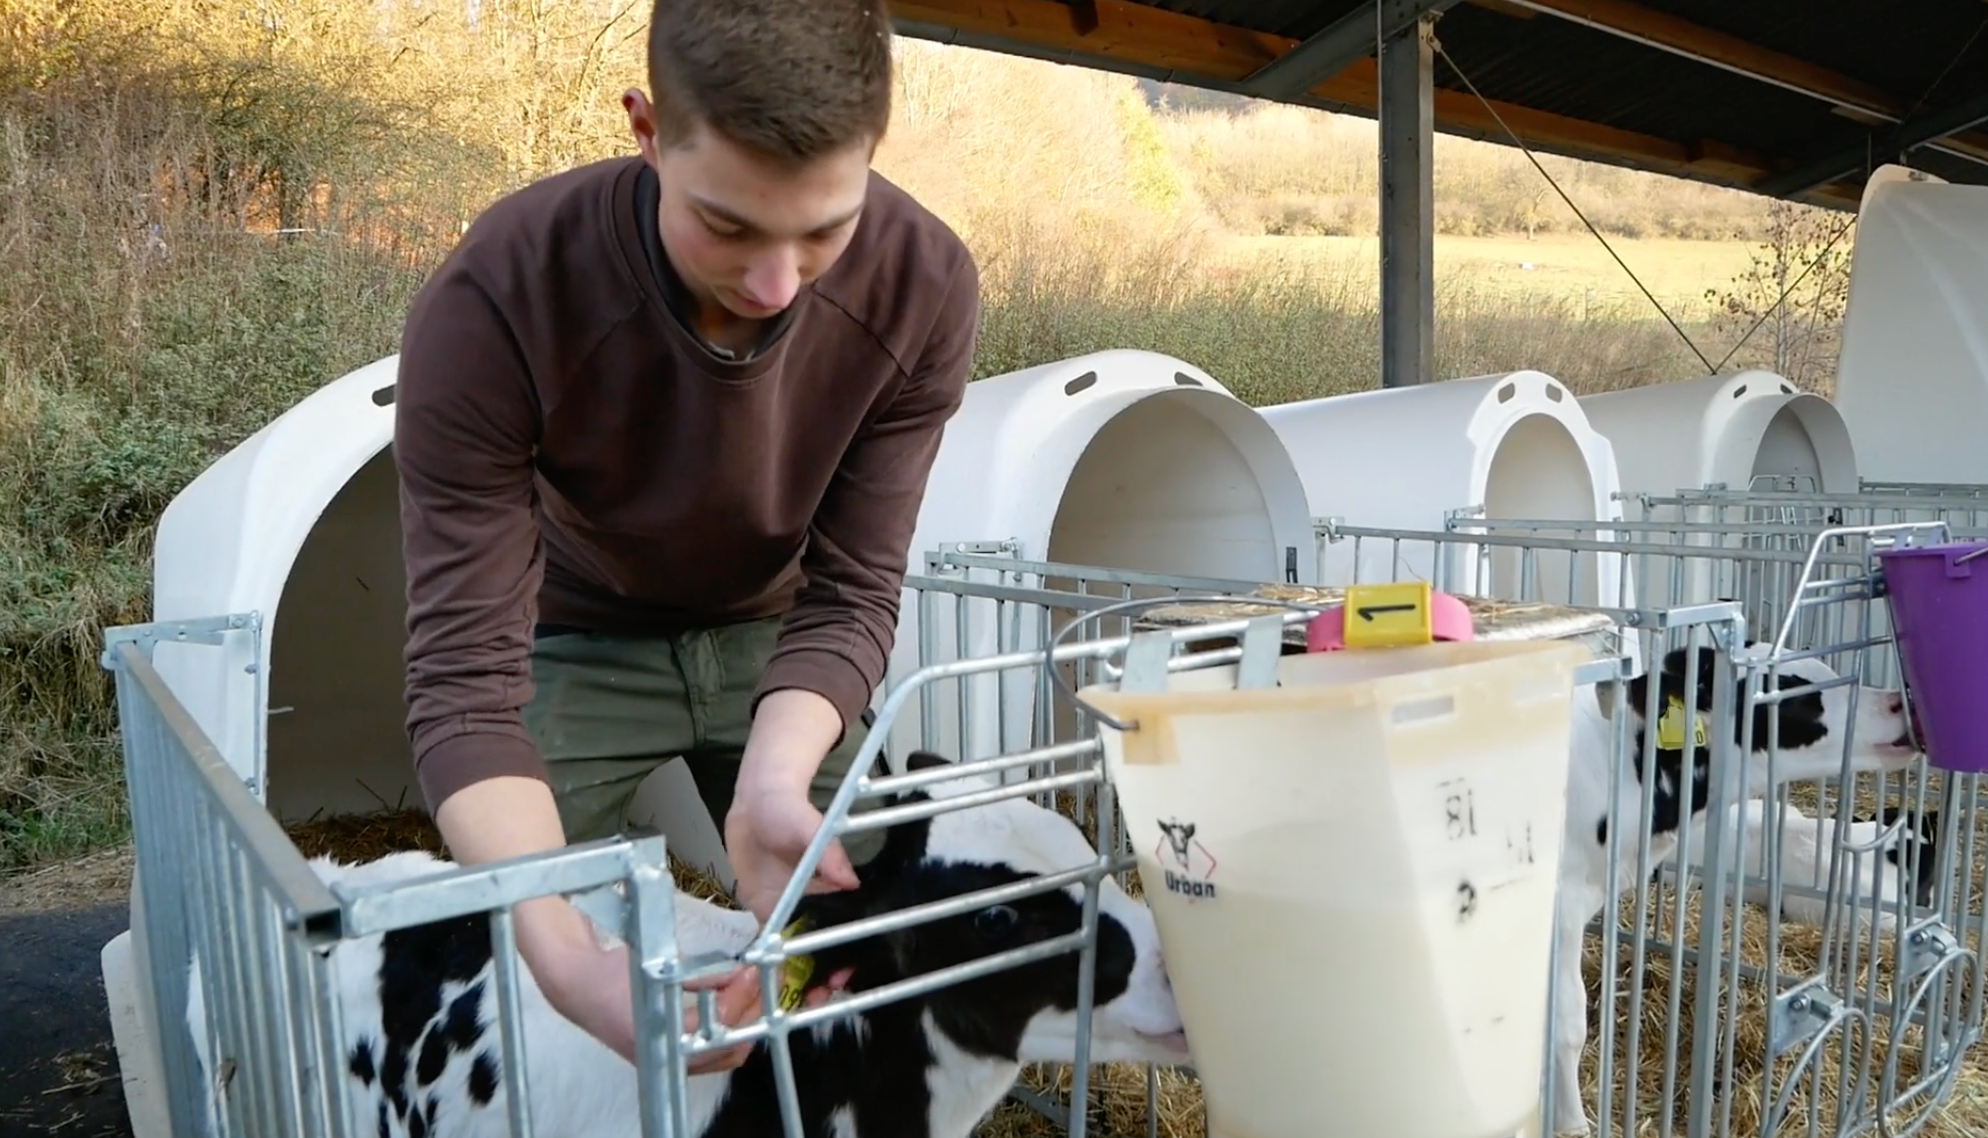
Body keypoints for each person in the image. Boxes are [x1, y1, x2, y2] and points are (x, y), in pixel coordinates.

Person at [390, 0, 978, 1073]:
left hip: (780, 641)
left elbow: (852, 591)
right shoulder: (497, 297)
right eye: (728, 224)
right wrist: (569, 964)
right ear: (647, 130)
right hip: (570, 635)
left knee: (876, 912)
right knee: (497, 936)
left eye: (823, 229)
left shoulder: (924, 286)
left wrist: (771, 784)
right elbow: (465, 680)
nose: (774, 285)